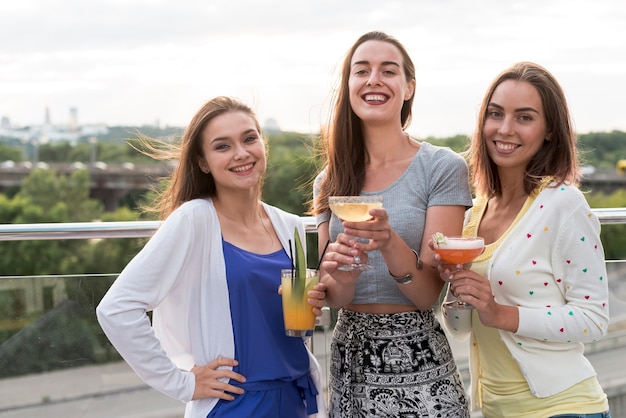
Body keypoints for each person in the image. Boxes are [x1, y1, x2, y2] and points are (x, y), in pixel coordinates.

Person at [96, 96, 328, 418]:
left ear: (263, 144)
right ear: (203, 162)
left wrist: (312, 303)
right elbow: (116, 309)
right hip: (235, 404)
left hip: (296, 398)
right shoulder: (194, 220)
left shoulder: (288, 225)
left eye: (249, 138)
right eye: (223, 146)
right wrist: (183, 384)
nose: (241, 153)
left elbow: (289, 326)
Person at [311, 31, 473, 417]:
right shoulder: (329, 180)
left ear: (408, 87)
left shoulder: (442, 167)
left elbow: (427, 295)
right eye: (361, 71)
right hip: (349, 362)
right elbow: (332, 295)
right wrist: (341, 277)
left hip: (420, 361)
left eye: (388, 70)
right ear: (349, 86)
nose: (373, 80)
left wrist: (388, 241)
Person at [436, 62, 611, 417]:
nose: (505, 129)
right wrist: (456, 288)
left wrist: (499, 312)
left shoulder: (564, 205)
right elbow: (461, 329)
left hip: (563, 408)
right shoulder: (474, 214)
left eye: (524, 117)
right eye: (495, 114)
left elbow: (594, 320)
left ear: (549, 131)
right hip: (492, 409)